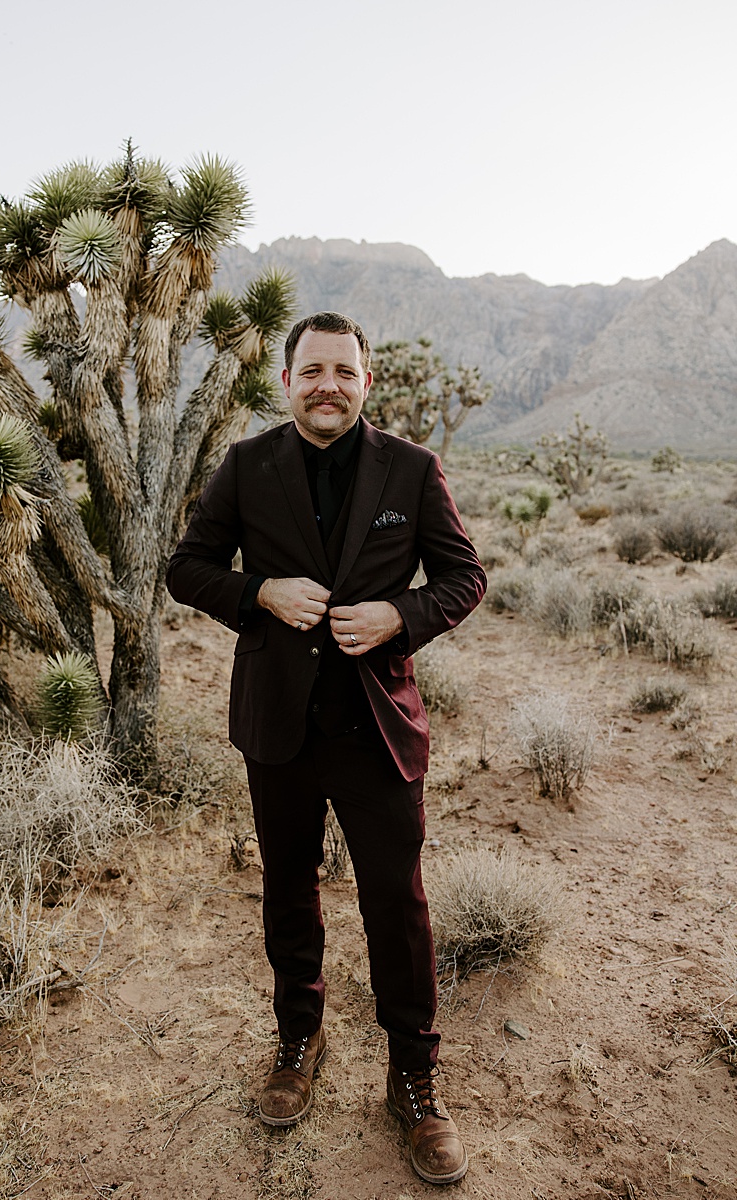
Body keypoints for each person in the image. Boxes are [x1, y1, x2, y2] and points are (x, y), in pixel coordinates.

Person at [166, 311, 485, 1186]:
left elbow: (465, 576)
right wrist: (261, 591)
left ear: (366, 381)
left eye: (344, 371)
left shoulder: (412, 471)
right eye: (312, 371)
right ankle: (297, 1040)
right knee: (288, 887)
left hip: (378, 724)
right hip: (279, 725)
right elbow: (187, 567)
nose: (327, 386)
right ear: (287, 380)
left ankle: (414, 1075)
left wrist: (401, 616)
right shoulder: (247, 465)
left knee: (397, 898)